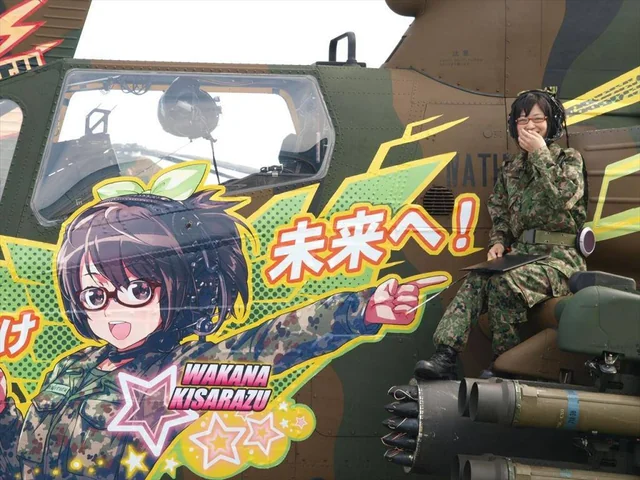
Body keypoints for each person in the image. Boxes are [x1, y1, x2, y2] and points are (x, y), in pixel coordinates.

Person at [0, 163, 445, 479]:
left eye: (137, 290)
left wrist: (359, 310)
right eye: (95, 296)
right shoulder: (71, 366)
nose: (114, 310)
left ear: (178, 287)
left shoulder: (179, 370)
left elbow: (267, 345)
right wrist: (4, 414)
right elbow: (18, 459)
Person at [414, 88, 588, 380]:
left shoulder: (567, 160)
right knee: (477, 279)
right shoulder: (512, 168)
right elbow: (501, 212)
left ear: (552, 123)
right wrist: (497, 242)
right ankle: (445, 355)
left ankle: (505, 364)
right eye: (523, 121)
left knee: (505, 283)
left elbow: (565, 198)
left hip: (559, 260)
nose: (530, 126)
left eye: (538, 119)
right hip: (522, 255)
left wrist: (540, 154)